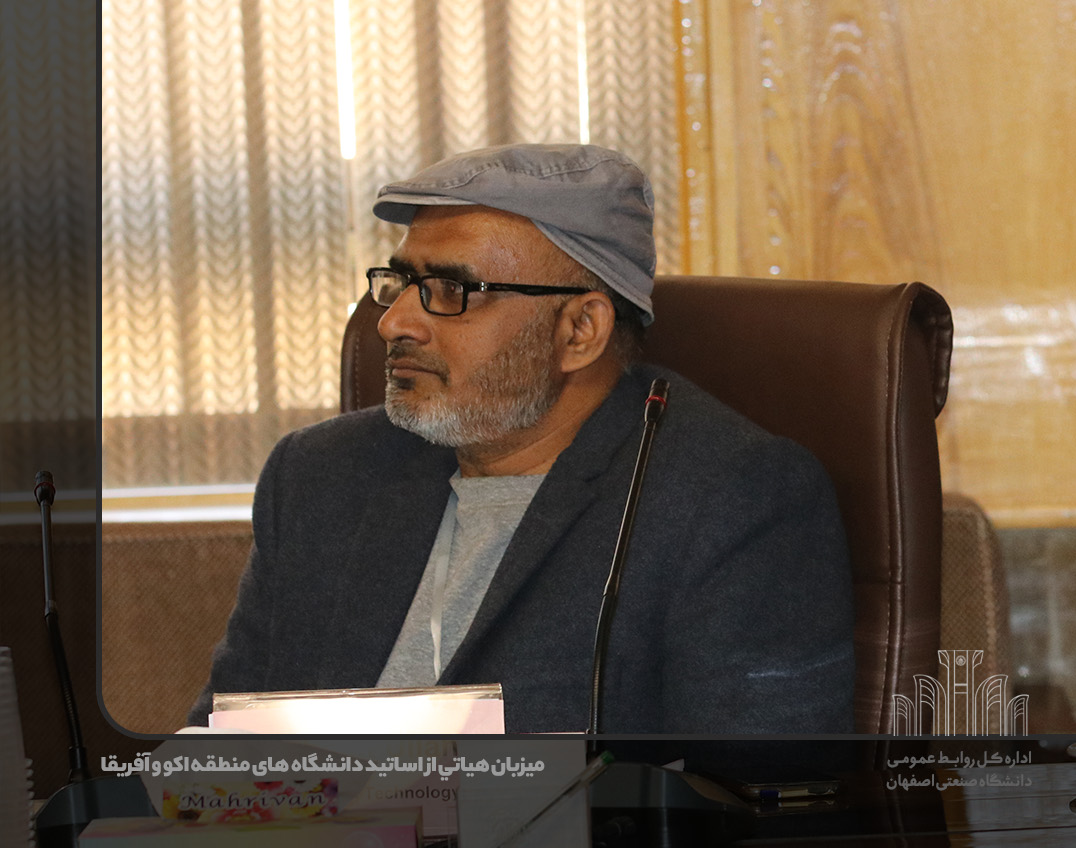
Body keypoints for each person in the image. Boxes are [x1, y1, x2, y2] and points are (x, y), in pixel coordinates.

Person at [189, 144, 856, 733]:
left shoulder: (730, 499)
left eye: (452, 289)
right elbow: (222, 749)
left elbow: (752, 794)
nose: (393, 323)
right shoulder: (322, 475)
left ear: (580, 331)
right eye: (401, 283)